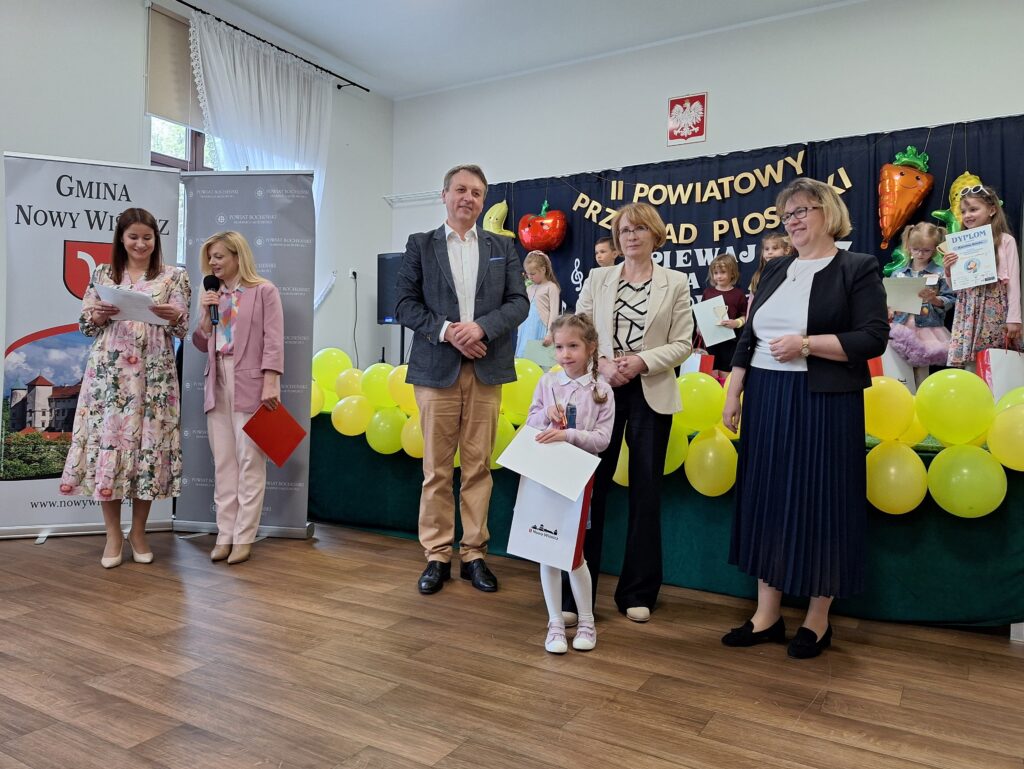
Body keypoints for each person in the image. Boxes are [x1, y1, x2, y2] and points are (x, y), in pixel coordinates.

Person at [722, 177, 888, 659]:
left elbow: (873, 337)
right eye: (786, 214)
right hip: (767, 396)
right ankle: (766, 614)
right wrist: (734, 390)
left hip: (825, 400)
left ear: (828, 213)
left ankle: (818, 619)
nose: (792, 221)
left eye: (801, 211)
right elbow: (749, 337)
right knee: (767, 498)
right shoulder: (776, 268)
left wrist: (808, 345)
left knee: (824, 500)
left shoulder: (856, 267)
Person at [394, 164, 529, 595]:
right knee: (436, 470)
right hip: (436, 371)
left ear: (483, 201)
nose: (467, 198)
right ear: (445, 195)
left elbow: (519, 303)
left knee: (477, 467)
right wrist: (449, 331)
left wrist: (481, 329)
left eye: (476, 192)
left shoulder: (502, 247)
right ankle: (437, 555)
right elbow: (404, 304)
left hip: (486, 369)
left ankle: (474, 555)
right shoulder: (420, 244)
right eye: (460, 190)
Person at [568, 202, 693, 623]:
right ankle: (575, 592)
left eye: (640, 229)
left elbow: (683, 343)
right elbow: (579, 331)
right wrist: (601, 363)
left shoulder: (675, 282)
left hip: (650, 393)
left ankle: (638, 592)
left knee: (645, 492)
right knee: (590, 491)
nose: (632, 236)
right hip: (601, 391)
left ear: (656, 235)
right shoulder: (598, 278)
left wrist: (641, 362)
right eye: (624, 230)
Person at [59, 208, 191, 568]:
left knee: (148, 447)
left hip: (155, 376)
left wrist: (174, 316)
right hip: (110, 376)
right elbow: (86, 325)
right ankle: (113, 535)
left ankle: (139, 532)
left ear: (156, 239)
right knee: (111, 446)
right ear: (121, 238)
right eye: (133, 237)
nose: (141, 243)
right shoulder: (104, 274)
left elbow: (183, 328)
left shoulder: (174, 276)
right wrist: (98, 314)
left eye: (147, 237)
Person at [191, 231, 284, 565]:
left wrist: (271, 381)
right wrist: (205, 314)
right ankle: (224, 535)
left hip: (251, 381)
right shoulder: (211, 293)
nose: (213, 263)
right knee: (224, 462)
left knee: (249, 461)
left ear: (237, 256)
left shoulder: (264, 291)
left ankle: (244, 537)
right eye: (210, 257)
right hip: (216, 378)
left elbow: (273, 339)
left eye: (219, 256)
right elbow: (200, 342)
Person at [525, 313, 614, 653]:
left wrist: (569, 434)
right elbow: (531, 422)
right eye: (560, 347)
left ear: (591, 347)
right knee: (546, 551)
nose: (565, 354)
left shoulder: (602, 390)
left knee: (575, 554)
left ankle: (587, 621)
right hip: (546, 478)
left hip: (579, 480)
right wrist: (544, 416)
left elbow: (602, 440)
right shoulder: (547, 382)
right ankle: (555, 623)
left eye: (573, 346)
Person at [942, 184, 1022, 370]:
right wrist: (948, 270)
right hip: (967, 307)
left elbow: (1013, 283)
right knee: (969, 364)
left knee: (993, 362)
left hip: (994, 308)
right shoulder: (959, 243)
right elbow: (955, 288)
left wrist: (1014, 318)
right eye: (963, 211)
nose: (967, 215)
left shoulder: (1005, 241)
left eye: (973, 209)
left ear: (992, 210)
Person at [887, 223, 954, 387]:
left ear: (934, 250)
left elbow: (950, 299)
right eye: (915, 249)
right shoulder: (898, 273)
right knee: (899, 371)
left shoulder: (940, 273)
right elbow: (889, 301)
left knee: (922, 372)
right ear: (908, 247)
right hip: (901, 326)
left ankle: (921, 398)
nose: (920, 254)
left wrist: (934, 299)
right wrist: (889, 309)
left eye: (926, 250)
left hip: (927, 329)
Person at [700, 253, 748, 383]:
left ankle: (725, 393)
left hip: (730, 341)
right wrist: (700, 327)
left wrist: (736, 323)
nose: (719, 276)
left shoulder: (738, 294)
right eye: (715, 273)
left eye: (723, 272)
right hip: (711, 341)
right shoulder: (708, 293)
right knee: (710, 371)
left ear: (732, 273)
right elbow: (702, 313)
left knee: (726, 373)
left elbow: (746, 316)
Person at [515, 250, 561, 357]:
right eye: (527, 274)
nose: (529, 277)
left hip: (541, 329)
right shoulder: (529, 288)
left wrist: (550, 333)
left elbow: (554, 313)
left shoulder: (551, 287)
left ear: (543, 270)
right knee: (523, 358)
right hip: (526, 329)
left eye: (533, 274)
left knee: (538, 359)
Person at [747, 231, 791, 302]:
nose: (770, 252)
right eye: (766, 249)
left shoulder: (790, 271)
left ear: (786, 250)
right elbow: (751, 301)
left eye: (775, 248)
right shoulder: (757, 275)